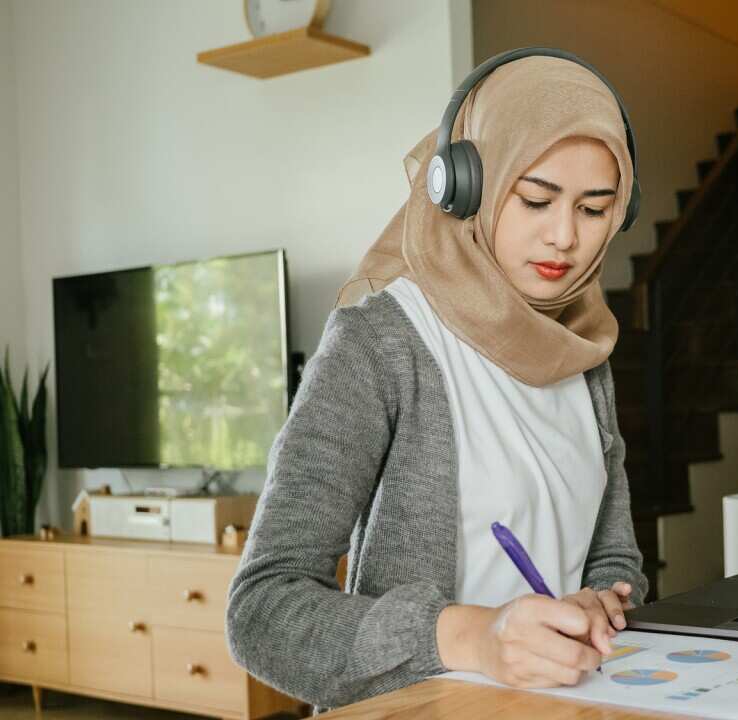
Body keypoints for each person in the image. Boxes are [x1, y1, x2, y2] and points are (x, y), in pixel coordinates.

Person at [226, 51, 648, 712]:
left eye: (595, 210)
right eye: (536, 199)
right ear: (466, 187)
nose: (564, 237)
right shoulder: (380, 344)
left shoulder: (583, 354)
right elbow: (261, 612)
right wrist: (474, 638)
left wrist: (602, 603)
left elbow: (616, 561)